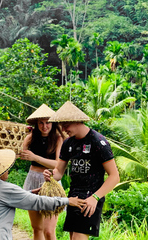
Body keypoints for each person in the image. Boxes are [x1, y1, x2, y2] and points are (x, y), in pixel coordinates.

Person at [43, 101, 120, 240]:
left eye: (66, 125)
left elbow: (114, 176)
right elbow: (59, 173)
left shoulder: (98, 142)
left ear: (77, 121)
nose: (63, 129)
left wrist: (95, 198)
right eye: (61, 125)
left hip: (91, 199)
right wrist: (50, 174)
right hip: (73, 198)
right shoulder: (68, 143)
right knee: (73, 237)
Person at [0, 149, 86, 240]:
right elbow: (37, 202)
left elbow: (4, 198)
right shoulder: (5, 188)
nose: (8, 171)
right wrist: (67, 201)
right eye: (6, 169)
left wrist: (29, 193)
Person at [20, 104, 67, 240]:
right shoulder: (31, 137)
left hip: (50, 182)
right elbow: (20, 153)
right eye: (41, 123)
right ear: (36, 123)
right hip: (32, 179)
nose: (44, 126)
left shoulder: (58, 139)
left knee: (48, 231)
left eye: (47, 123)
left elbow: (58, 164)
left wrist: (35, 157)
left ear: (53, 123)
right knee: (37, 229)